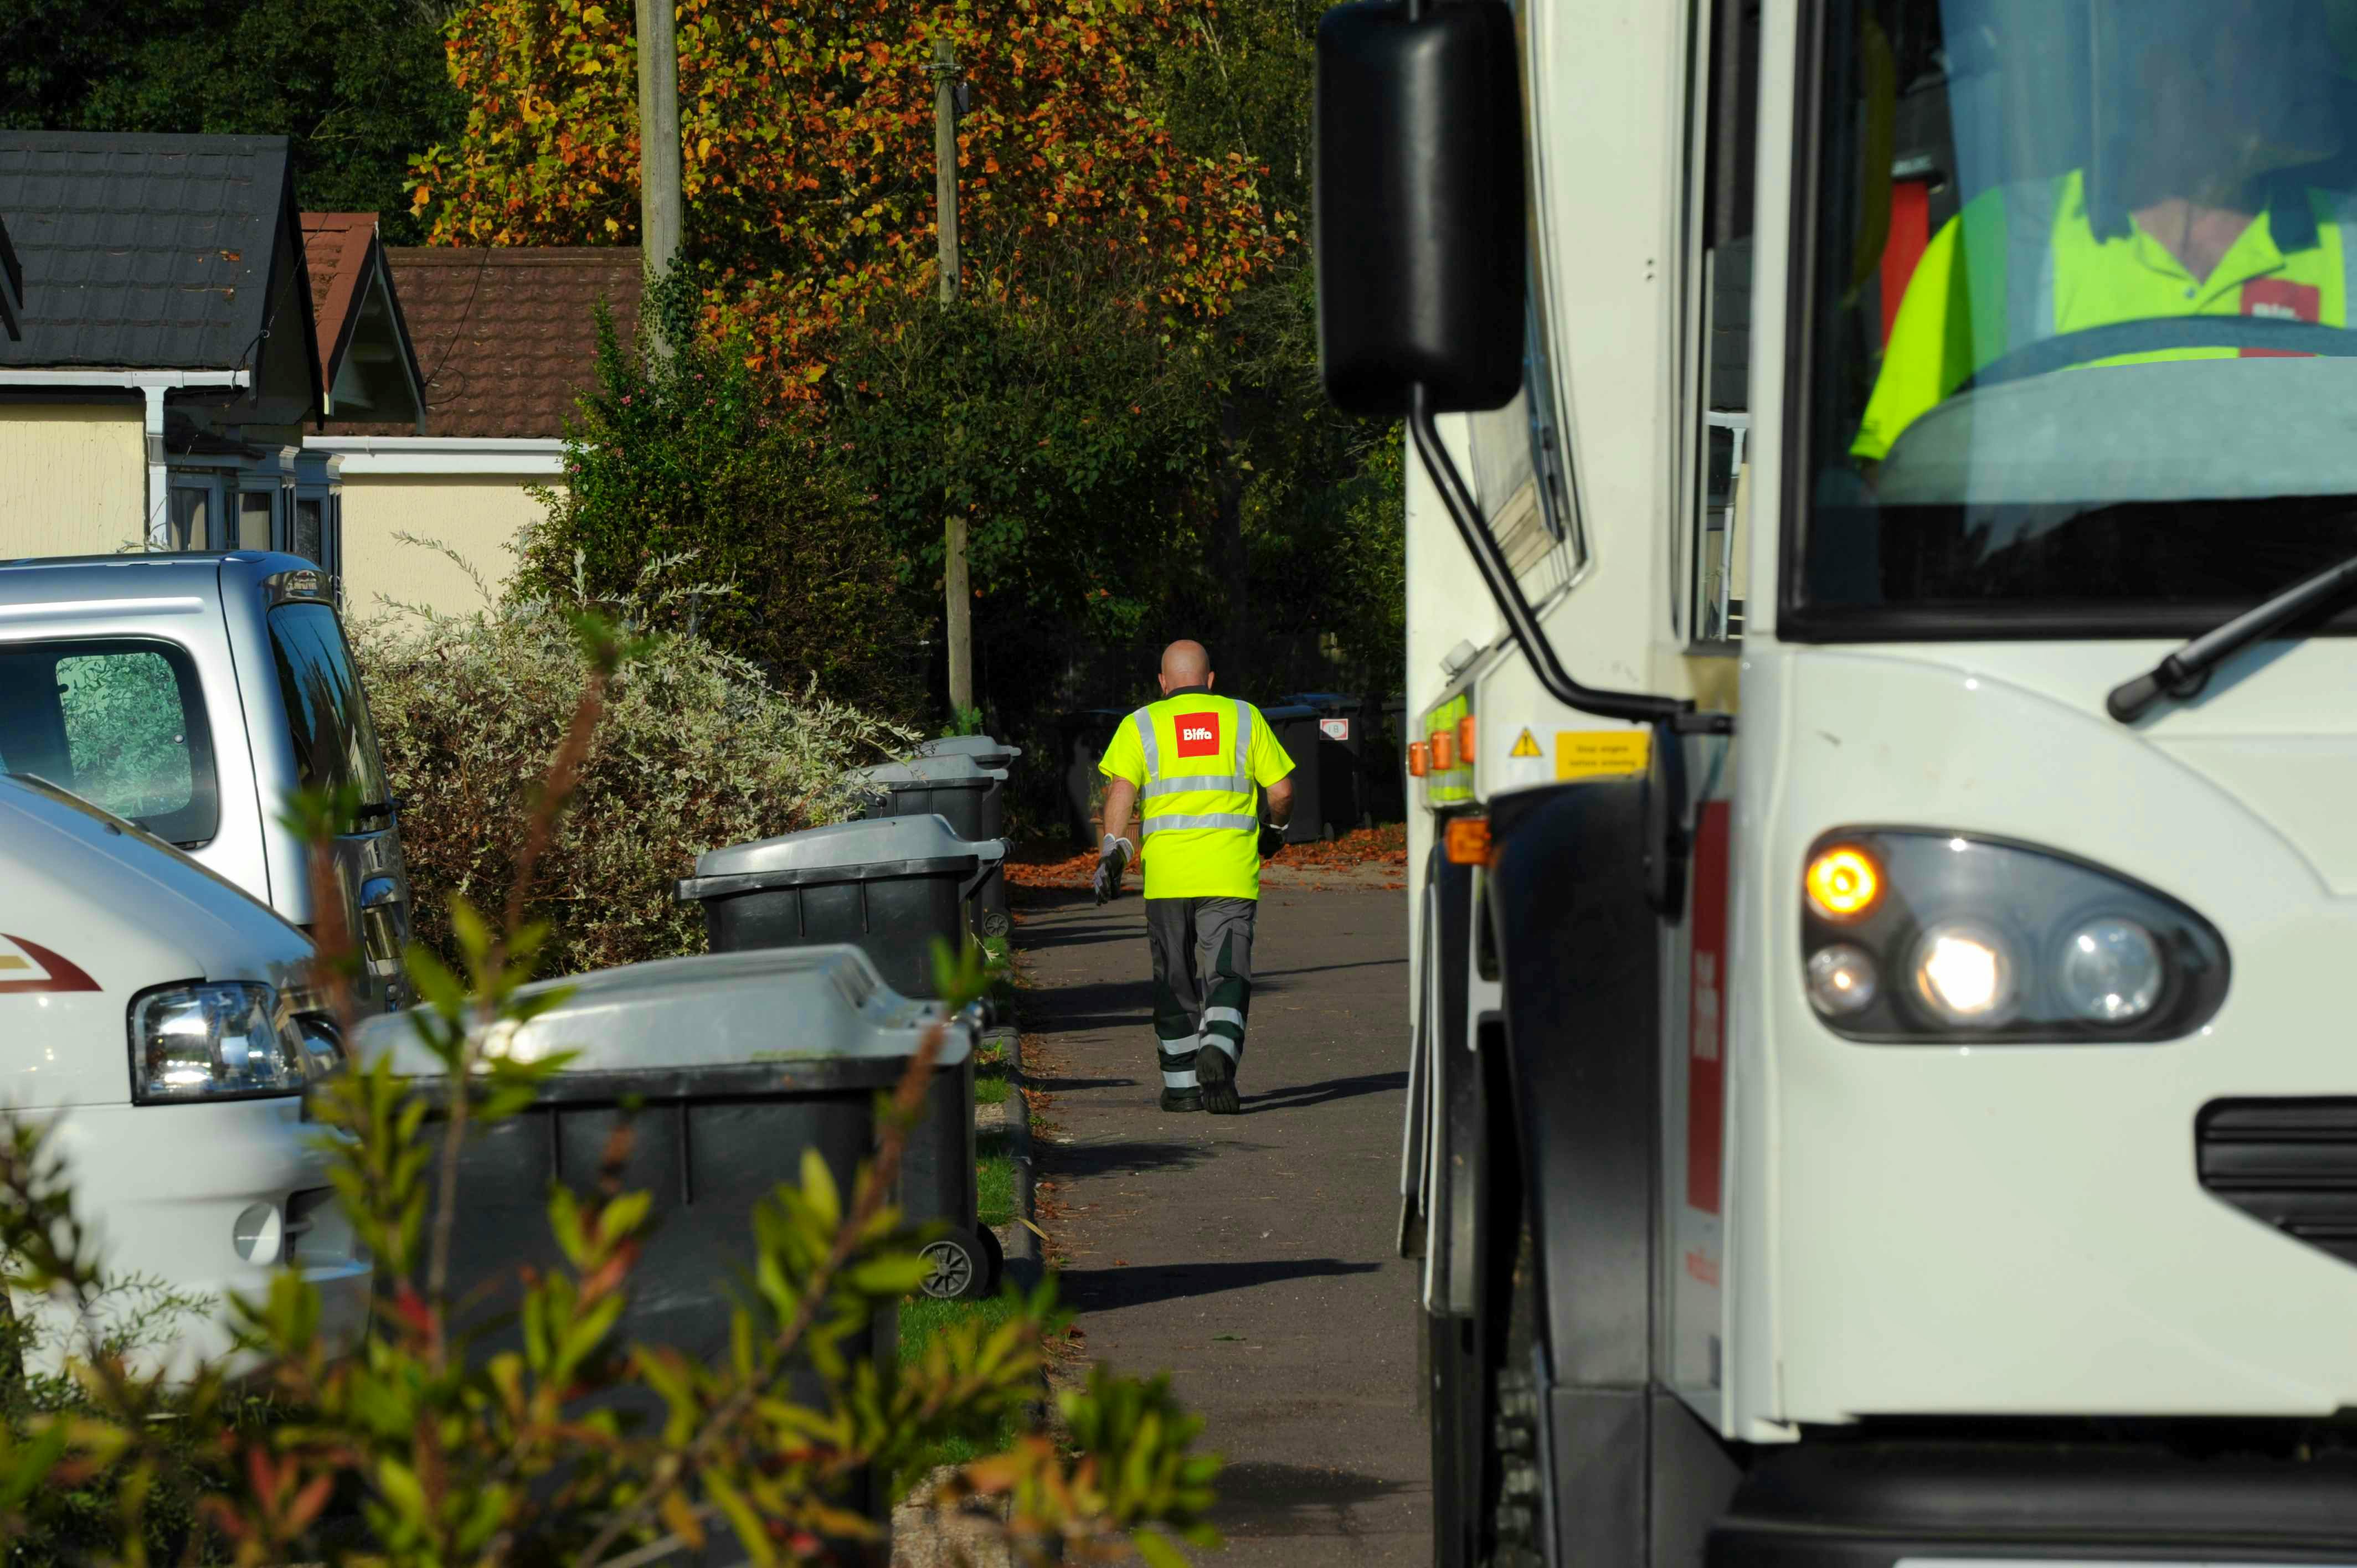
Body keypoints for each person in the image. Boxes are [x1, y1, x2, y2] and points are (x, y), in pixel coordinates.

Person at [1856, 0, 2354, 463]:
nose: (2316, 62)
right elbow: (1898, 476)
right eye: (2276, 38)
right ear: (2164, 67)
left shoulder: (2349, 242)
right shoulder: (2001, 243)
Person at [1092, 640, 1295, 1115]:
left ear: (1163, 683)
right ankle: (1219, 1049)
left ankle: (1182, 1088)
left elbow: (1121, 792)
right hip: (1229, 874)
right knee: (1227, 970)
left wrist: (1113, 849)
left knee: (1174, 981)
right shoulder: (1244, 718)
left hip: (1167, 877)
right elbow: (1282, 790)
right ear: (1210, 681)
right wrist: (1276, 829)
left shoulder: (1141, 724)